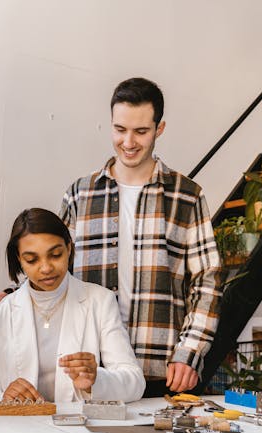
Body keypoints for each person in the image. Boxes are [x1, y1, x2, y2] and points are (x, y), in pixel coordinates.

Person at [60, 77, 222, 396]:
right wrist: (12, 296)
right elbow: (53, 267)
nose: (129, 142)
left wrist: (190, 352)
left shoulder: (187, 196)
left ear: (159, 129)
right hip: (91, 368)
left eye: (141, 131)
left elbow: (207, 280)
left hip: (160, 368)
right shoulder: (79, 194)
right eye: (120, 130)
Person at [0, 208, 145, 404]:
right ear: (19, 259)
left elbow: (135, 382)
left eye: (55, 255)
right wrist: (4, 398)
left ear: (69, 248)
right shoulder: (0, 313)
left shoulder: (100, 300)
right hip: (20, 429)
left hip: (78, 430)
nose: (46, 268)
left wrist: (95, 380)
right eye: (32, 259)